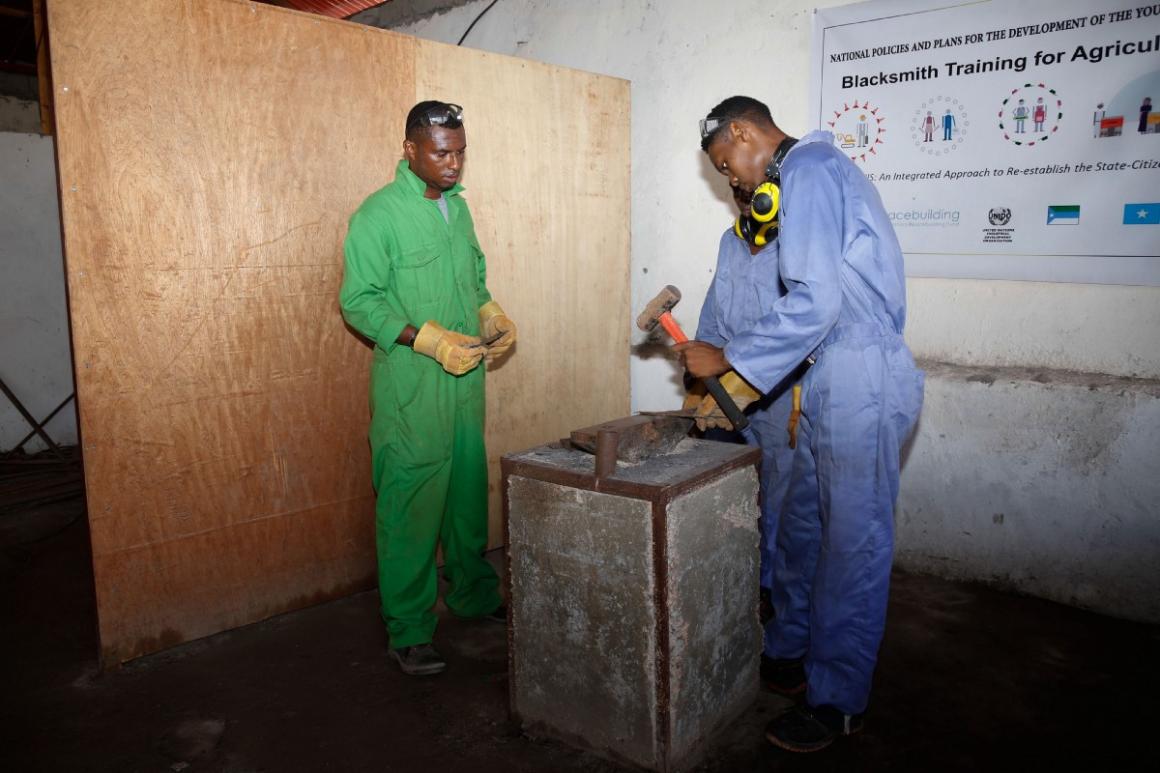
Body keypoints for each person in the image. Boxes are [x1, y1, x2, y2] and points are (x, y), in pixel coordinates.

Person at [679, 96, 924, 752]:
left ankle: (837, 700)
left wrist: (730, 360)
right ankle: (793, 654)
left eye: (726, 162)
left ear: (741, 131)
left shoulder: (809, 167)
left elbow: (816, 299)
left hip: (859, 371)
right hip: (828, 372)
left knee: (851, 542)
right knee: (807, 528)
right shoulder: (811, 172)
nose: (732, 177)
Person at [340, 101, 515, 677]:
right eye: (441, 153)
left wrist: (490, 312)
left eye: (460, 152)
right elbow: (359, 302)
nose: (454, 164)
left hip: (466, 382)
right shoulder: (378, 216)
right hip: (413, 388)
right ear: (410, 149)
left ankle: (473, 595)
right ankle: (410, 629)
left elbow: (474, 278)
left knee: (466, 495)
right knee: (411, 508)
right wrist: (426, 340)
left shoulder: (457, 210)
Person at [687, 185, 804, 665]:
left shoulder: (798, 246)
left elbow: (801, 330)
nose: (741, 196)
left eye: (749, 190)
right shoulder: (729, 241)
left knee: (778, 498)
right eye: (733, 188)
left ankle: (770, 595)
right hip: (727, 388)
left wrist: (743, 373)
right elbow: (714, 319)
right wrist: (699, 381)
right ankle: (730, 586)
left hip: (781, 392)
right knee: (726, 492)